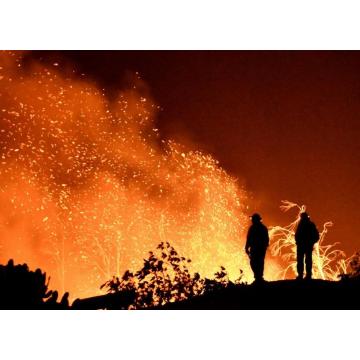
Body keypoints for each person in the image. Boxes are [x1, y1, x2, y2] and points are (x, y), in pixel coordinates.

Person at [245, 213, 269, 283]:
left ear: (256, 220)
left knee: (257, 262)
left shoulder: (258, 228)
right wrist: (246, 247)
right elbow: (249, 238)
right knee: (255, 262)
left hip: (258, 248)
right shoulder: (260, 228)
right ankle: (258, 277)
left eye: (253, 219)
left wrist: (247, 247)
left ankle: (259, 278)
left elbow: (266, 239)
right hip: (257, 248)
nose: (251, 220)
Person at [295, 212, 319, 280]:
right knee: (304, 261)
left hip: (304, 245)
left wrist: (311, 242)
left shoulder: (305, 224)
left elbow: (316, 236)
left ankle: (304, 275)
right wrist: (311, 242)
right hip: (305, 246)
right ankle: (305, 275)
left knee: (304, 261)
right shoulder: (308, 224)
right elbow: (316, 236)